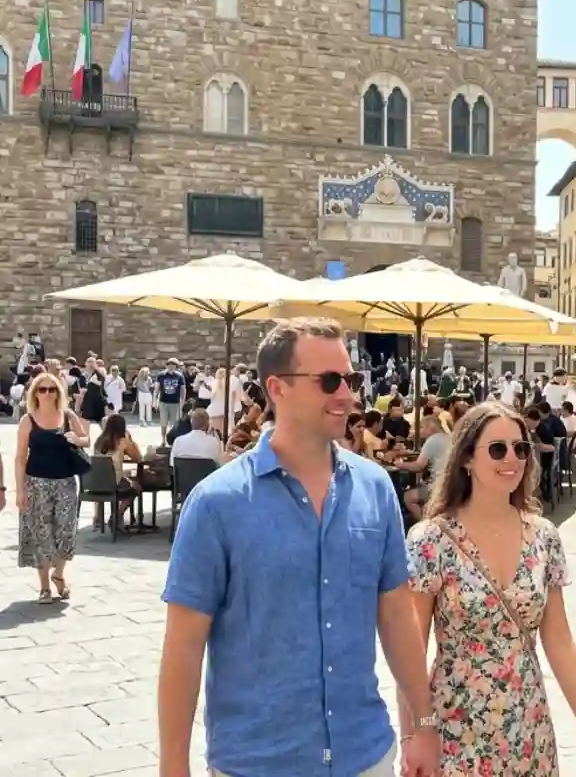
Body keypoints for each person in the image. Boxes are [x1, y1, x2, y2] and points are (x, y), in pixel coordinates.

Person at [158, 318, 440, 777]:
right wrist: (173, 766)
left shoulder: (375, 489)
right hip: (257, 763)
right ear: (278, 388)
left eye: (350, 379)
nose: (347, 394)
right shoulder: (216, 504)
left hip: (364, 754)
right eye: (329, 381)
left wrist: (422, 724)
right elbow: (184, 646)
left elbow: (396, 616)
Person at [405, 401, 576, 776]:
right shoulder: (430, 540)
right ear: (467, 459)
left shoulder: (543, 536)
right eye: (497, 449)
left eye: (520, 448)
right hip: (453, 729)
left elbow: (558, 638)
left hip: (528, 728)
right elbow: (411, 650)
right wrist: (415, 733)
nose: (512, 459)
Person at [12, 373, 89, 604]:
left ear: (58, 392)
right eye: (42, 389)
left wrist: (77, 439)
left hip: (65, 483)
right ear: (35, 393)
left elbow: (86, 439)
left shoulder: (67, 416)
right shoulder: (28, 420)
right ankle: (44, 587)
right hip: (36, 483)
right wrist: (19, 490)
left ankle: (59, 574)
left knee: (66, 531)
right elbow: (20, 457)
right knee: (41, 535)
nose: (47, 393)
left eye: (51, 389)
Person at [93, 413, 144, 530]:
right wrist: (131, 442)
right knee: (136, 487)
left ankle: (98, 518)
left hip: (95, 482)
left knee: (118, 479)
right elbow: (138, 457)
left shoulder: (99, 441)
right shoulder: (122, 440)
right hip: (113, 482)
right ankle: (117, 516)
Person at [156, 358, 186, 441]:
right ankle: (163, 440)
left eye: (173, 365)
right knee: (163, 423)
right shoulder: (161, 375)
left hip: (175, 403)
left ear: (176, 367)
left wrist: (182, 402)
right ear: (166, 366)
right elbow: (157, 388)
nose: (171, 367)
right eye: (169, 365)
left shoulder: (179, 376)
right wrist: (155, 400)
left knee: (174, 423)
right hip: (163, 402)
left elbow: (183, 390)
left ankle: (173, 440)